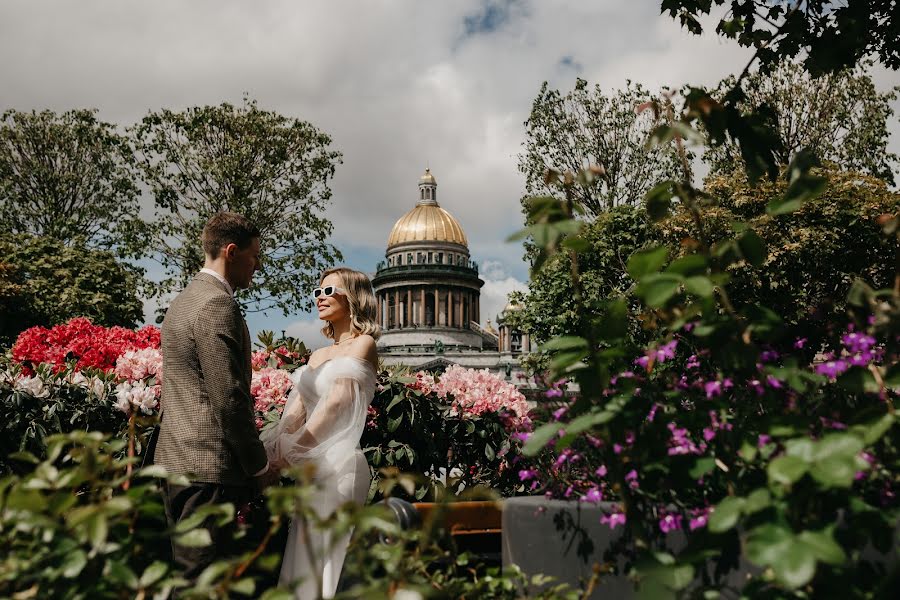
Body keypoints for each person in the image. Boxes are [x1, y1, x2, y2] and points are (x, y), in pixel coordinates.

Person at [154, 212, 279, 582]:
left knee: (187, 576)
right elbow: (228, 399)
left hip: (176, 461)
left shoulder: (183, 300)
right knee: (201, 582)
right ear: (231, 252)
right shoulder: (215, 305)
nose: (257, 265)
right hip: (208, 470)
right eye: (255, 256)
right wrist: (259, 466)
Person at [262, 267, 379, 599]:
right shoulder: (317, 354)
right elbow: (296, 413)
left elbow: (338, 401)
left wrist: (293, 450)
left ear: (353, 298)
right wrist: (271, 456)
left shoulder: (364, 344)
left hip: (340, 467)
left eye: (329, 291)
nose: (320, 298)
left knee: (328, 559)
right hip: (310, 468)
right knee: (302, 558)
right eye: (318, 292)